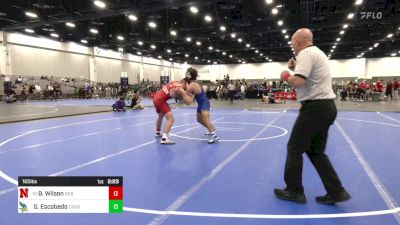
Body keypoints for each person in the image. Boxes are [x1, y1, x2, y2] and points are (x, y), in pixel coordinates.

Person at [274, 28, 350, 205]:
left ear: (298, 42)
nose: (293, 48)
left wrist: (286, 75)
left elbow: (298, 82)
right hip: (326, 108)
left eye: (293, 44)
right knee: (316, 152)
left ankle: (294, 190)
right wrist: (295, 68)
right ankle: (336, 191)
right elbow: (308, 79)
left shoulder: (306, 53)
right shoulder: (318, 53)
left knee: (294, 148)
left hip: (315, 108)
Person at [184, 68, 219, 144]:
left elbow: (187, 97)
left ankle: (214, 135)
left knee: (206, 119)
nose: (186, 74)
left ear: (190, 75)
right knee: (199, 120)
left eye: (187, 73)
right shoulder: (194, 83)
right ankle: (212, 129)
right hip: (200, 103)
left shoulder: (192, 84)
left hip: (204, 103)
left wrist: (184, 90)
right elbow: (193, 93)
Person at [153, 80, 193, 144]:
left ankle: (158, 132)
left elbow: (169, 92)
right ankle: (164, 138)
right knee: (171, 118)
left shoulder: (174, 82)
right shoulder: (179, 88)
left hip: (155, 98)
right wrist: (186, 94)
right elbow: (175, 95)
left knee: (160, 116)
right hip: (160, 100)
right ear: (185, 83)